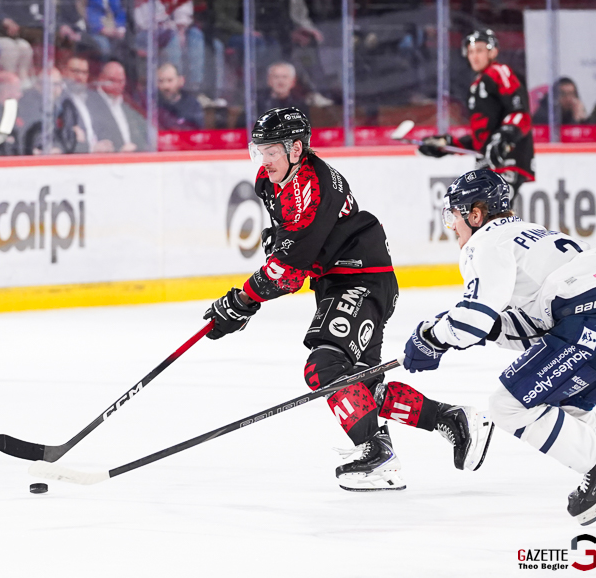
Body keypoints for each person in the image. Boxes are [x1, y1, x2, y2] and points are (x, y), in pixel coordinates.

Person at [202, 107, 493, 491]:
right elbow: (290, 245)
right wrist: (260, 281)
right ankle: (453, 419)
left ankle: (376, 451)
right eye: (258, 151)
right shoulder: (271, 180)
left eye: (270, 151)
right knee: (362, 389)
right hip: (340, 283)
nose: (263, 161)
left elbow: (290, 269)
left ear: (295, 148)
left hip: (360, 280)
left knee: (323, 366)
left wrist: (242, 301)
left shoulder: (315, 186)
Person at [403, 169, 596, 525]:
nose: (451, 225)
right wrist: (470, 328)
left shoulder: (485, 242)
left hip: (590, 322)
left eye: (453, 215)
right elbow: (533, 329)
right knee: (557, 405)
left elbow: (472, 319)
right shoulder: (528, 235)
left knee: (508, 405)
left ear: (475, 213)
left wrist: (432, 337)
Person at [418, 29, 535, 208]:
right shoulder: (476, 85)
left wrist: (504, 137)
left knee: (489, 214)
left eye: (479, 50)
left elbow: (520, 114)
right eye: (471, 51)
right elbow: (481, 139)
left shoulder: (498, 71)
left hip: (507, 158)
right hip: (488, 162)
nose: (474, 56)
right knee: (478, 216)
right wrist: (446, 144)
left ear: (493, 51)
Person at [87, 61, 149, 152]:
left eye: (120, 81)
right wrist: (119, 150)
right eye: (112, 80)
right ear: (101, 79)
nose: (117, 85)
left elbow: (144, 132)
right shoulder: (90, 103)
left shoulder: (128, 104)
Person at [61, 54, 115, 153]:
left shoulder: (93, 98)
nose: (80, 76)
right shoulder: (59, 99)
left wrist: (107, 142)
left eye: (84, 73)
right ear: (64, 72)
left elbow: (106, 127)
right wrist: (91, 148)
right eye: (75, 71)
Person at [157, 62, 204, 130]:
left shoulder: (192, 105)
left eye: (170, 80)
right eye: (160, 81)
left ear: (180, 81)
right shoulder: (152, 104)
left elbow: (198, 132)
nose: (165, 86)